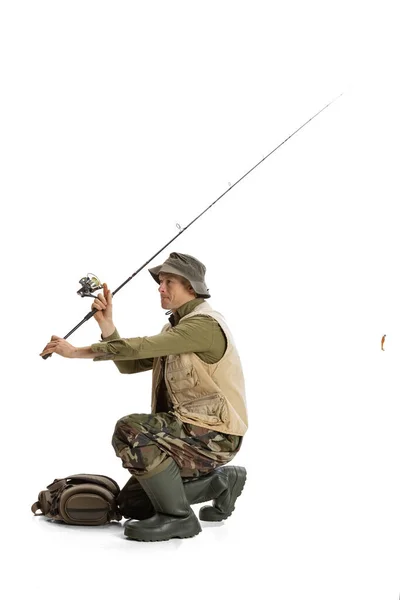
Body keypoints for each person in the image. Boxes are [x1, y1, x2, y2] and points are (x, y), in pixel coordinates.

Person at [40, 252, 248, 542]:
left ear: (191, 286)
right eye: (160, 281)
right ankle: (222, 482)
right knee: (132, 505)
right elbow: (131, 364)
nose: (160, 288)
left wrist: (75, 352)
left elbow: (140, 347)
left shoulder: (204, 326)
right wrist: (107, 326)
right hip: (186, 433)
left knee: (129, 429)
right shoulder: (176, 327)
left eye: (168, 281)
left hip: (214, 434)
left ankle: (179, 519)